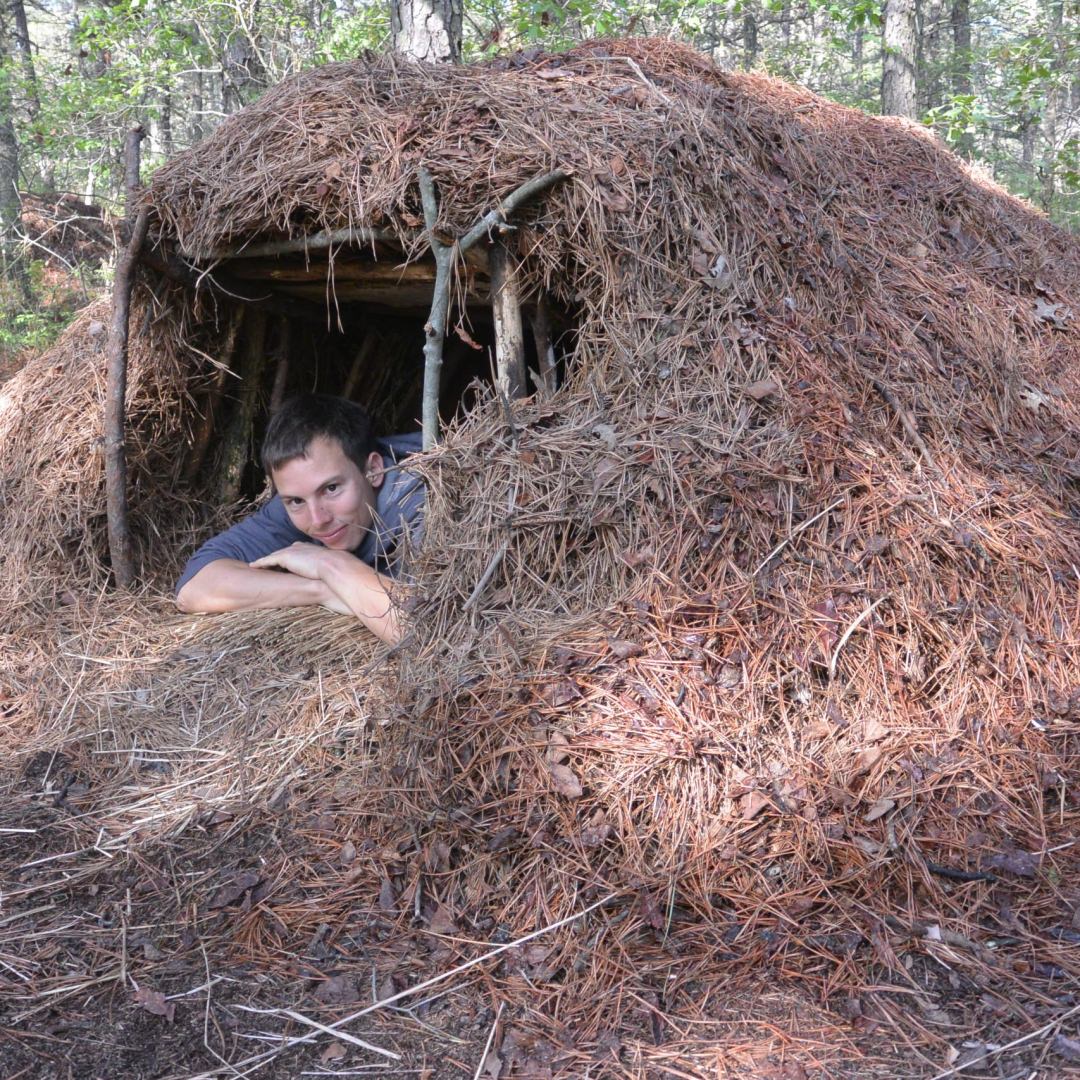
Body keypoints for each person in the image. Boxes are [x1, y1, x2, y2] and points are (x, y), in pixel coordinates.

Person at [176, 395, 424, 644]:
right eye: (295, 501)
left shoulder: (430, 503)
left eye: (331, 489)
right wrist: (324, 589)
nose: (317, 520)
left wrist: (329, 565)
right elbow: (194, 588)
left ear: (374, 470)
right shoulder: (301, 498)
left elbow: (431, 638)